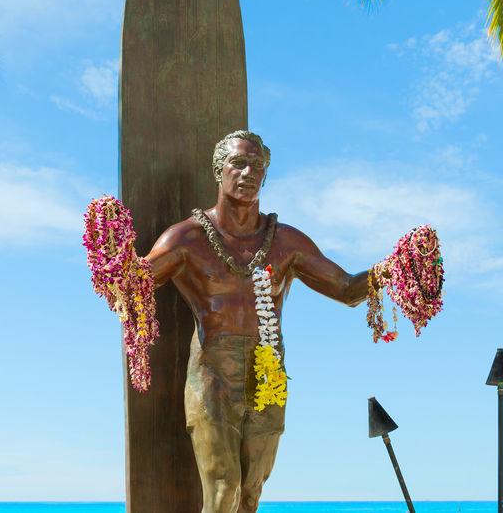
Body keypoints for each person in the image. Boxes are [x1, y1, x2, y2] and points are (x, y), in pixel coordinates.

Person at [143, 130, 376, 513]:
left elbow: (348, 289)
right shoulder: (187, 238)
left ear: (265, 176)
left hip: (268, 371)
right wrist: (107, 245)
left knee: (250, 495)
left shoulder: (286, 241)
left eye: (258, 166)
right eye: (239, 163)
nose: (248, 173)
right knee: (224, 491)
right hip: (213, 371)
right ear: (220, 171)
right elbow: (134, 284)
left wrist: (398, 267)